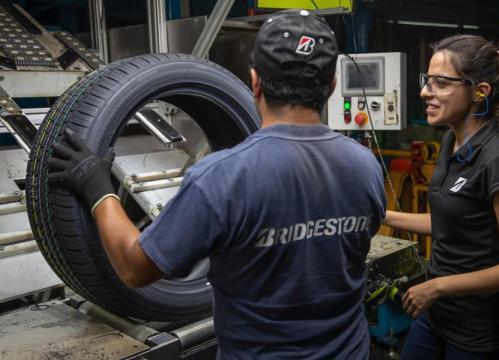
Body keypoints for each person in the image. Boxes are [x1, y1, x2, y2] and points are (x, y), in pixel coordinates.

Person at [48, 9, 386, 359]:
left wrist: (98, 188)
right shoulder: (365, 165)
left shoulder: (223, 177)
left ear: (255, 81)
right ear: (331, 86)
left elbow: (134, 269)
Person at [383, 34, 499, 359]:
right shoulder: (448, 143)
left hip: (477, 330)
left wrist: (437, 286)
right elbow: (448, 222)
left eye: (441, 83)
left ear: (479, 92)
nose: (425, 91)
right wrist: (379, 215)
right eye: (427, 81)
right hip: (436, 314)